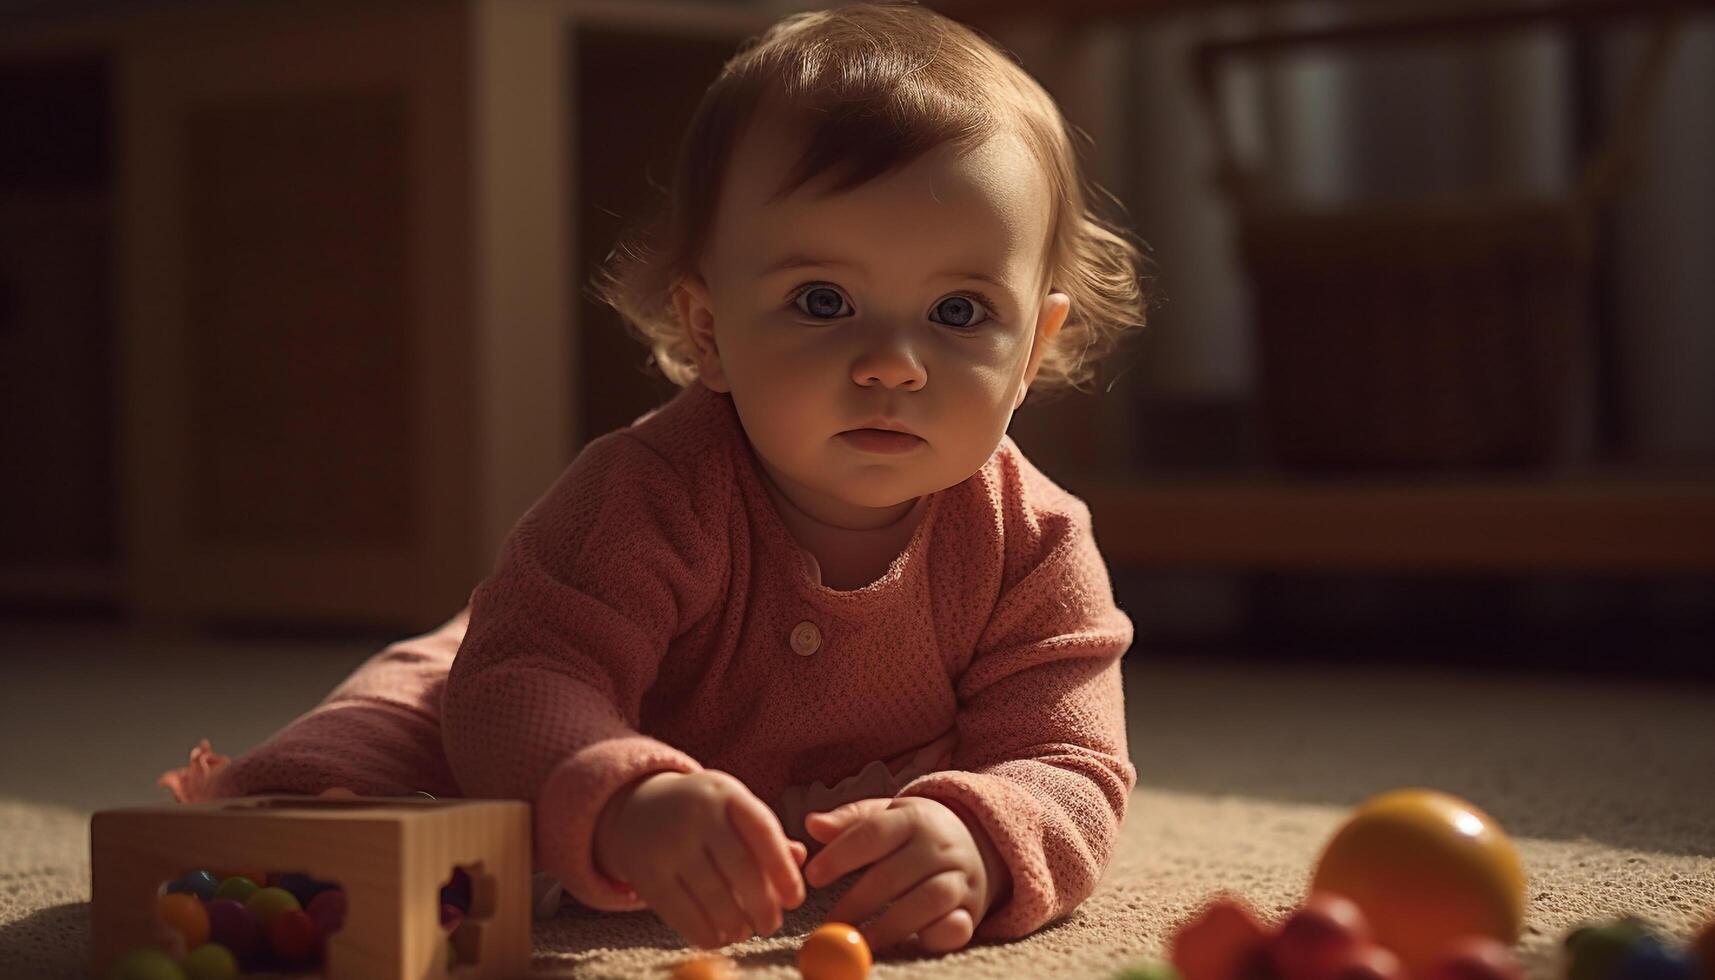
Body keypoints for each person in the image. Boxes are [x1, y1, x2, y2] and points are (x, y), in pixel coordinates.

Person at [163, 0, 1153, 957]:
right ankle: (277, 816)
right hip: (562, 699)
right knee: (397, 735)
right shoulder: (644, 493)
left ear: (1032, 349)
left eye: (957, 312)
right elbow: (523, 678)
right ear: (706, 329)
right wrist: (624, 796)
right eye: (822, 299)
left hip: (842, 788)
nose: (892, 362)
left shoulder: (1035, 541)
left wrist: (984, 836)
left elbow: (1068, 759)